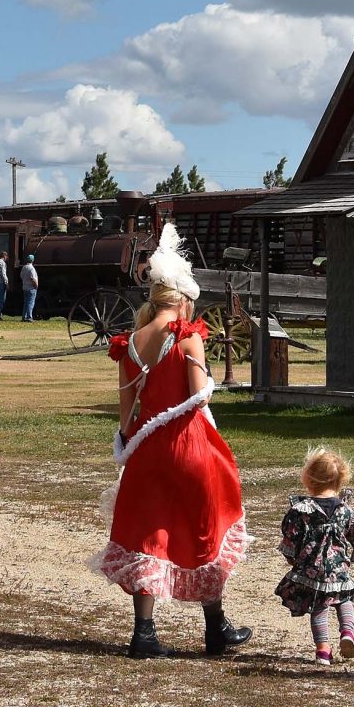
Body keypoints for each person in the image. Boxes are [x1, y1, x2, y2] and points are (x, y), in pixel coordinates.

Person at [92, 222, 252, 658]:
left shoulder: (128, 343)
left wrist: (129, 444)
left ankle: (143, 634)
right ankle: (215, 629)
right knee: (204, 529)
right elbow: (200, 393)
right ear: (182, 299)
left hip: (146, 450)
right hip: (189, 446)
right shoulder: (189, 337)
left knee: (147, 534)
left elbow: (126, 416)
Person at [274, 447, 354, 665]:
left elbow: (291, 536)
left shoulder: (301, 510)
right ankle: (347, 633)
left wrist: (291, 557)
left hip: (313, 569)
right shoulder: (346, 510)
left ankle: (322, 650)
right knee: (345, 599)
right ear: (340, 480)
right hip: (339, 568)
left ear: (309, 480)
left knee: (319, 607)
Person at [19, 254, 40, 322]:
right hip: (31, 288)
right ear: (32, 260)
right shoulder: (31, 268)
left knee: (26, 303)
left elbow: (21, 276)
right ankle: (29, 317)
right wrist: (36, 285)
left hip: (25, 287)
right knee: (30, 303)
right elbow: (33, 278)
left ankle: (24, 317)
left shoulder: (24, 267)